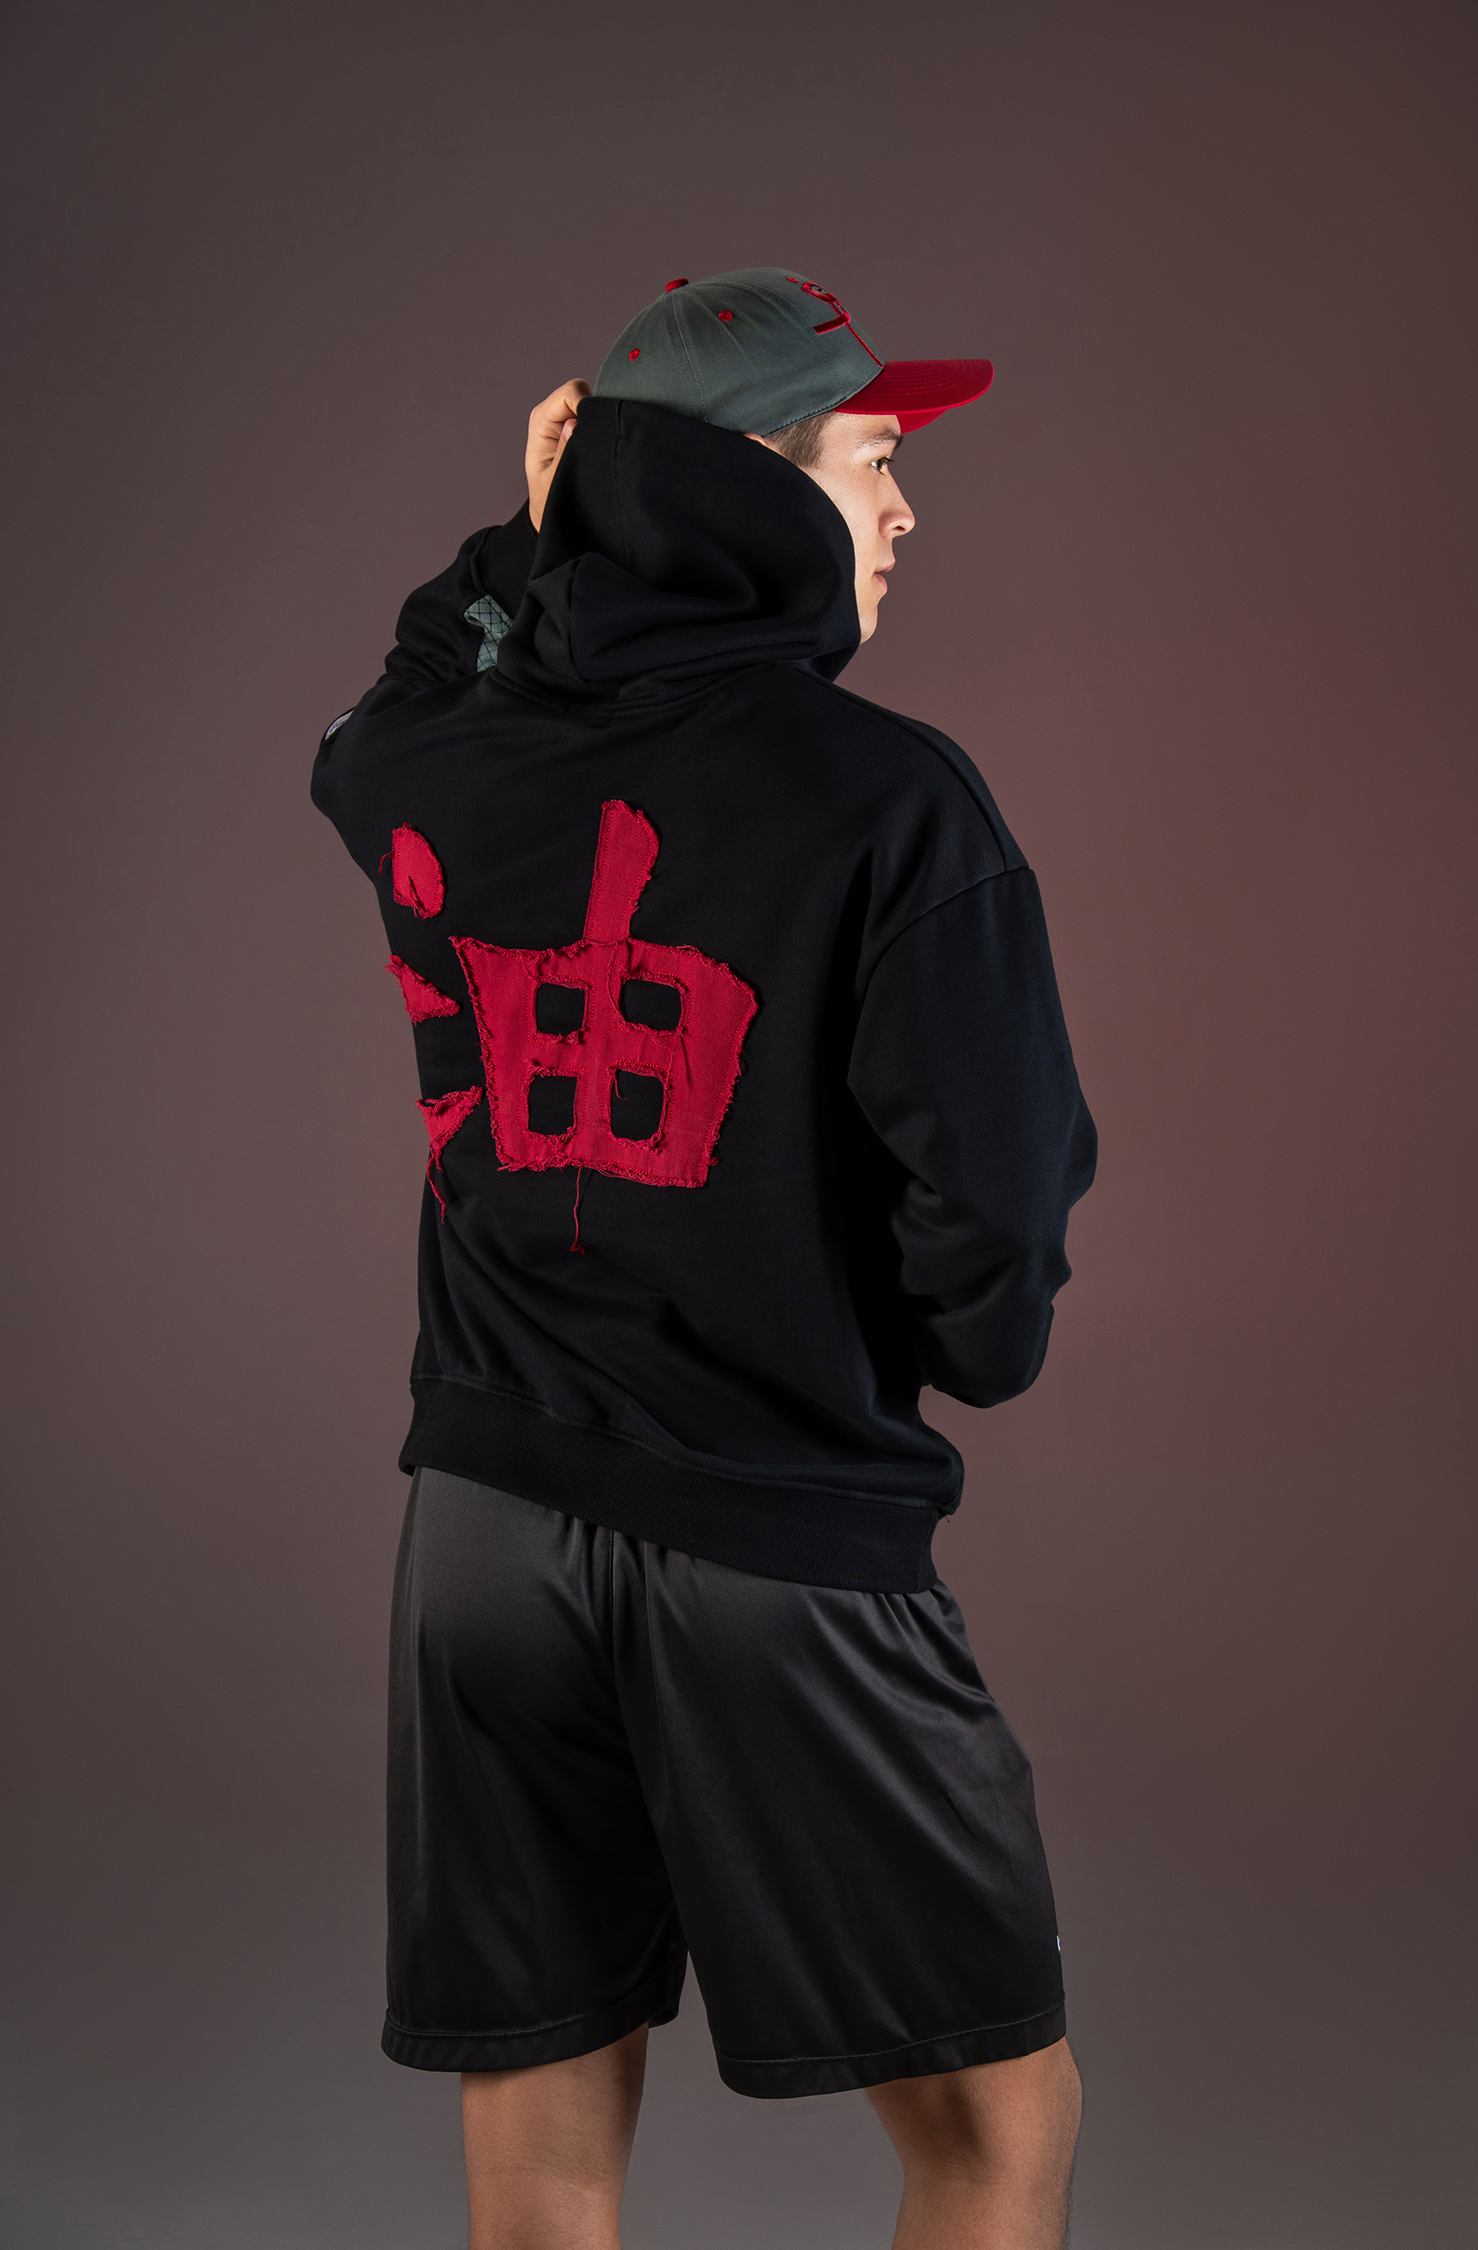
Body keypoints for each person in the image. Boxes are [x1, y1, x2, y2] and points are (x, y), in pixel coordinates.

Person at [313, 268, 1097, 2250]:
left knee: (543, 2138)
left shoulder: (445, 761)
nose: (905, 511)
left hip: (479, 1534)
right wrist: (942, 1337)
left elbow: (378, 713)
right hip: (773, 1534)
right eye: (873, 460)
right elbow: (998, 1222)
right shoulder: (893, 798)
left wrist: (534, 529)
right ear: (751, 484)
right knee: (998, 2128)